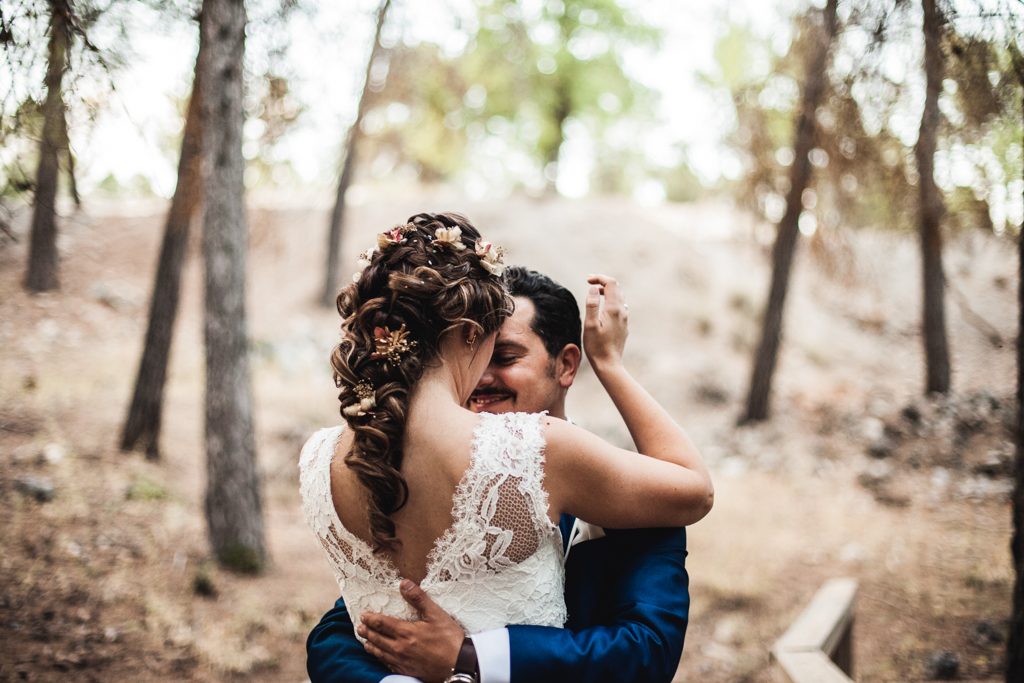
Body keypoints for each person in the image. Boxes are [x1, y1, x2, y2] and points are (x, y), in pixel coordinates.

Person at [300, 213, 712, 683]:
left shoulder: (618, 477)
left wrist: (468, 658)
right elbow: (349, 622)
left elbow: (648, 649)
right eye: (484, 351)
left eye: (507, 356)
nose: (483, 378)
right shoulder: (392, 457)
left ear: (566, 365)